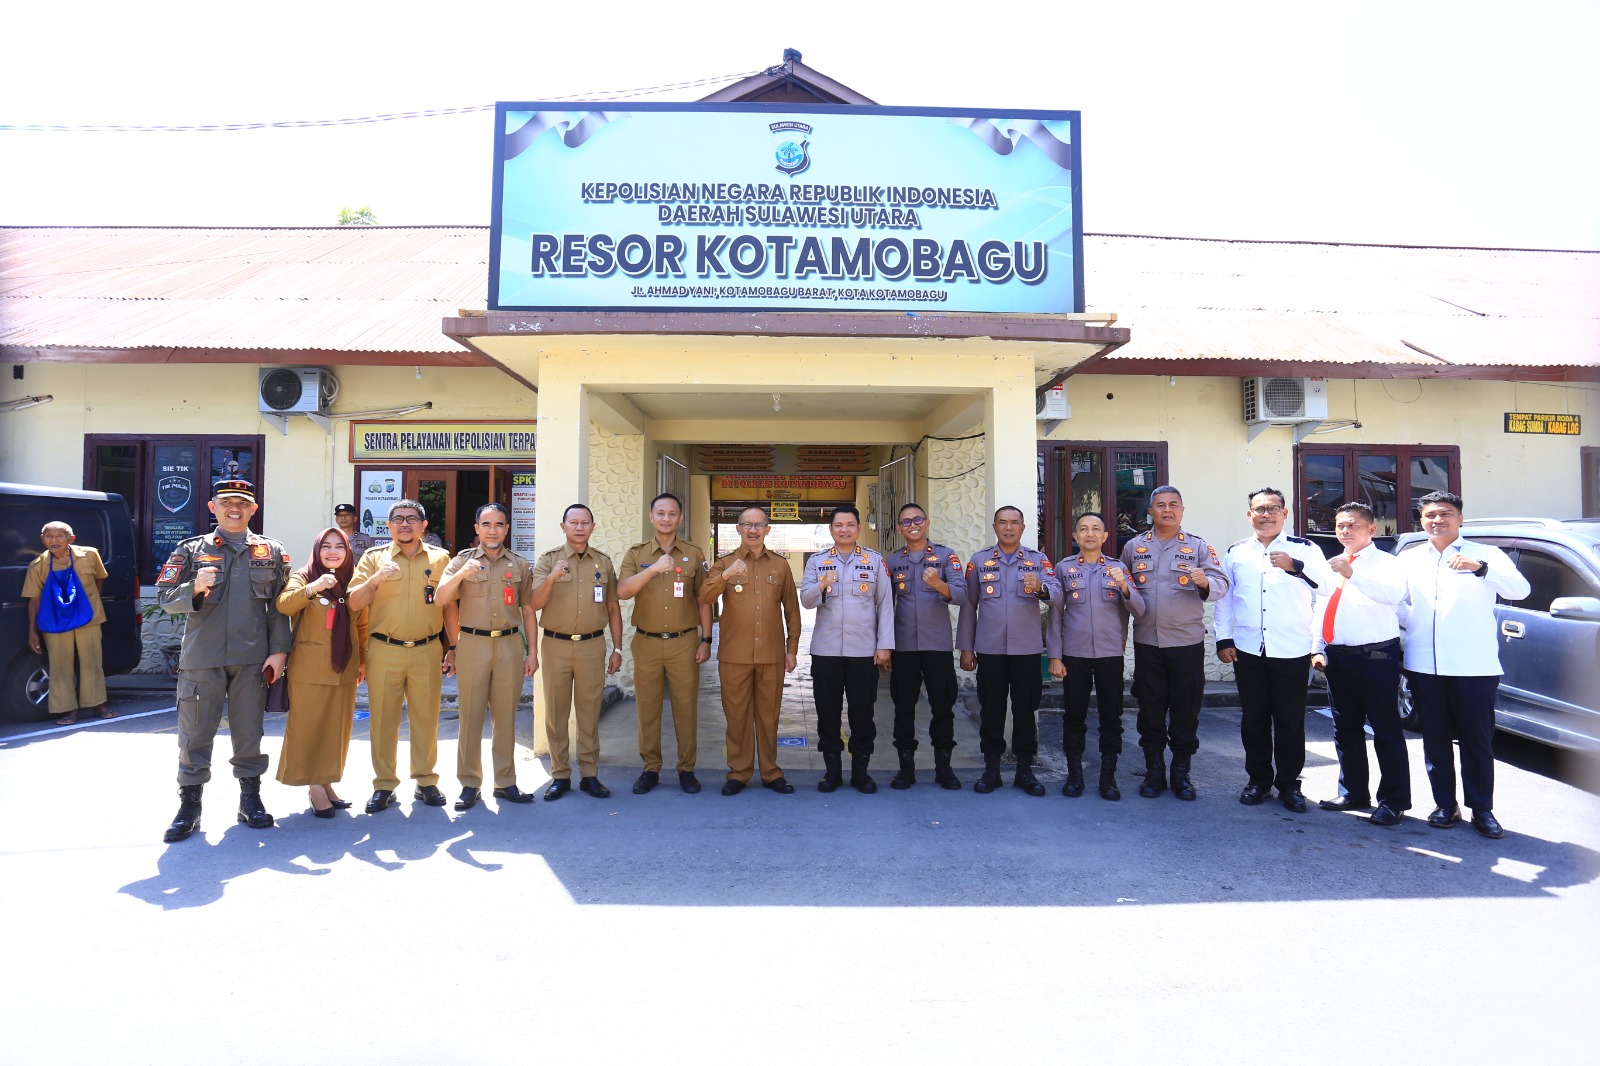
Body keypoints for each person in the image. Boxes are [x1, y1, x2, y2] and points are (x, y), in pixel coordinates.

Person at [155, 478, 291, 842]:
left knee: (249, 731)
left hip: (252, 659)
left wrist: (279, 651)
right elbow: (165, 597)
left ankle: (250, 800)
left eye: (243, 503)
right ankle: (190, 806)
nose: (235, 508)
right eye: (227, 501)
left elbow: (279, 607)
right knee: (195, 733)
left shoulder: (271, 551)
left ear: (253, 509)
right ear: (212, 507)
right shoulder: (189, 550)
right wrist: (193, 588)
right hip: (203, 657)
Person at [1399, 490, 1530, 839]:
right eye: (1430, 515)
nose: (1437, 520)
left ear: (1460, 518)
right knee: (1435, 739)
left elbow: (1521, 589)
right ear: (1421, 520)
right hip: (1424, 664)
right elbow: (1398, 601)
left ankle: (1482, 809)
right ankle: (1445, 804)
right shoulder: (1410, 557)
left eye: (1445, 514)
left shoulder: (1486, 554)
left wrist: (1481, 570)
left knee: (1476, 740)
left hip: (1474, 666)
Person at [1215, 487, 1336, 813]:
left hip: (1292, 649)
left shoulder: (1305, 549)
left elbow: (1328, 588)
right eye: (1259, 509)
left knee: (1290, 721)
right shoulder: (1237, 552)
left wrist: (1295, 566)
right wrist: (1223, 638)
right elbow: (1226, 597)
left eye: (1273, 509)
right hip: (1248, 649)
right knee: (1253, 719)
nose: (1266, 514)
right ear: (1249, 514)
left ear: (1285, 513)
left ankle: (1289, 785)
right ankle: (1258, 781)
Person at [347, 498, 458, 813]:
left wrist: (454, 646)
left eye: (412, 518)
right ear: (389, 525)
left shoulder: (440, 559)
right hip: (384, 649)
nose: (405, 523)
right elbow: (355, 603)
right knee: (383, 720)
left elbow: (449, 604)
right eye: (398, 518)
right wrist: (376, 578)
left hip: (427, 649)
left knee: (426, 718)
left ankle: (426, 781)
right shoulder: (373, 558)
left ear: (424, 526)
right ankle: (384, 785)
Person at [1118, 486, 1228, 801]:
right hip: (1148, 643)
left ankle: (1181, 773)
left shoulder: (1198, 547)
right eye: (1160, 505)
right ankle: (1154, 772)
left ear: (1182, 510)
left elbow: (1221, 584)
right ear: (1150, 511)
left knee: (1185, 710)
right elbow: (1123, 595)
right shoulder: (1134, 547)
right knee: (1150, 709)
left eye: (1173, 505)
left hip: (1186, 643)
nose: (1167, 510)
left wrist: (1206, 582)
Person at [1310, 502, 1410, 826]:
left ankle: (1393, 801)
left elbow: (1393, 595)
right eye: (1340, 525)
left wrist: (1353, 574)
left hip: (1376, 657)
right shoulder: (1333, 563)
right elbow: (1322, 608)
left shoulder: (1387, 563)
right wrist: (1318, 647)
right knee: (1345, 729)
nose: (1345, 531)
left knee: (1385, 730)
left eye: (1352, 525)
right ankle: (1353, 791)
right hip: (1339, 657)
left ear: (1371, 530)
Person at [436, 503, 539, 810]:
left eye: (499, 524)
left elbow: (529, 610)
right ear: (477, 528)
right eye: (487, 524)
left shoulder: (519, 565)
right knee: (470, 716)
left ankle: (505, 782)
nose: (493, 530)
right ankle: (470, 784)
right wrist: (461, 575)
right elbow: (441, 598)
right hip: (472, 644)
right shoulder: (462, 561)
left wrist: (532, 651)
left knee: (506, 716)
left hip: (508, 644)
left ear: (507, 529)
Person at [955, 506, 1061, 795]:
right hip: (989, 650)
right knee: (991, 710)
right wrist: (966, 648)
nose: (1009, 527)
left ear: (1023, 528)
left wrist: (1040, 587)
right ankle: (992, 770)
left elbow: (1057, 595)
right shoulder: (979, 561)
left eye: (1015, 523)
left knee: (1026, 710)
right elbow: (968, 605)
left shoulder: (1038, 561)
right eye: (1003, 522)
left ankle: (1025, 771)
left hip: (1026, 651)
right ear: (995, 527)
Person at [700, 506, 801, 796]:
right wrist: (727, 575)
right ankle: (739, 773)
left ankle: (771, 772)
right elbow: (705, 596)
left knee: (768, 716)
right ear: (738, 529)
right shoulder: (724, 563)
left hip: (771, 655)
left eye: (759, 525)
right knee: (737, 716)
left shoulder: (780, 565)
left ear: (768, 529)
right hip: (734, 655)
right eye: (747, 524)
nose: (753, 530)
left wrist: (791, 649)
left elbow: (792, 611)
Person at [617, 492, 712, 795]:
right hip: (646, 642)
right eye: (660, 513)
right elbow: (623, 591)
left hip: (684, 642)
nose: (666, 518)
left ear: (680, 518)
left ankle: (686, 769)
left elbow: (704, 600)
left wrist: (706, 639)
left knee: (685, 708)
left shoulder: (694, 554)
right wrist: (654, 569)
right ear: (651, 517)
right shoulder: (637, 553)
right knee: (648, 708)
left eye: (672, 513)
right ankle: (650, 768)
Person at [529, 504, 624, 800]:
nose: (579, 527)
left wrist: (617, 648)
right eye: (574, 522)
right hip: (555, 645)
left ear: (593, 527)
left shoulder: (603, 563)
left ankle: (589, 774)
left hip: (592, 645)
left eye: (585, 523)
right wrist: (552, 578)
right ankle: (559, 774)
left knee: (589, 712)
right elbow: (534, 603)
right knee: (556, 713)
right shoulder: (548, 561)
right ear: (563, 526)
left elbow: (612, 607)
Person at [1046, 512, 1143, 800]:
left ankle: (1108, 777)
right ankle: (1074, 774)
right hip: (1074, 655)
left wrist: (1124, 585)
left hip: (1109, 653)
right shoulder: (1063, 569)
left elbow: (1140, 610)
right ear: (1075, 537)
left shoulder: (1118, 569)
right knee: (1073, 716)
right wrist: (1054, 656)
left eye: (1096, 529)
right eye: (1083, 529)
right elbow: (1055, 616)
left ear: (1105, 536)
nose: (1090, 534)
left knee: (1111, 717)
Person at [801, 504, 894, 793]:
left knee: (862, 713)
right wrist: (822, 586)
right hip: (826, 651)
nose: (844, 529)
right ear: (831, 530)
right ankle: (832, 772)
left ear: (858, 528)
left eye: (850, 524)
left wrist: (885, 646)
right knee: (827, 712)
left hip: (863, 651)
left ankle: (861, 772)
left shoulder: (875, 561)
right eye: (838, 525)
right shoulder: (817, 562)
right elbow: (806, 600)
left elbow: (886, 605)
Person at [274, 527, 368, 816]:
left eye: (339, 546)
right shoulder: (304, 576)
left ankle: (327, 782)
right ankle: (314, 787)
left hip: (345, 666)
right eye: (326, 546)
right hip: (309, 667)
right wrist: (312, 588)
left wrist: (363, 661)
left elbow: (362, 625)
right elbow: (284, 605)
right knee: (308, 727)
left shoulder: (353, 580)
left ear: (347, 551)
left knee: (336, 729)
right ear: (317, 550)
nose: (332, 551)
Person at [884, 502, 966, 789]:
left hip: (937, 646)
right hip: (904, 647)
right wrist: (884, 645)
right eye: (906, 522)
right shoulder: (893, 562)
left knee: (943, 707)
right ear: (899, 528)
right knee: (903, 708)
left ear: (927, 523)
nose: (912, 524)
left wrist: (939, 585)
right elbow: (883, 606)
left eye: (917, 519)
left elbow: (961, 595)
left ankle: (944, 768)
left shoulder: (946, 556)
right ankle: (906, 769)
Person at [23, 521, 112, 725]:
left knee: (92, 662)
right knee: (60, 665)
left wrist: (91, 604)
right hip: (55, 620)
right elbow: (33, 599)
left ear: (71, 539)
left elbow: (100, 578)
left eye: (59, 536)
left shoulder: (90, 555)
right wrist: (32, 631)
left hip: (88, 619)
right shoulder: (37, 565)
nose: (54, 541)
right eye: (49, 536)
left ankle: (98, 704)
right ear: (42, 539)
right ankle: (68, 710)